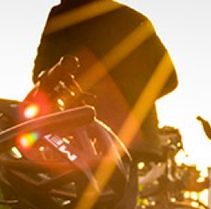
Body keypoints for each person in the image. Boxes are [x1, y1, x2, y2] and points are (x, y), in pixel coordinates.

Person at [32, 0, 178, 163]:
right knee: (123, 185)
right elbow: (170, 79)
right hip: (134, 138)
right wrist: (135, 101)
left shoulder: (65, 15)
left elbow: (41, 75)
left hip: (83, 136)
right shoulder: (135, 20)